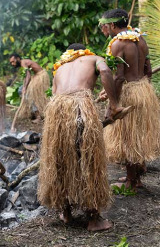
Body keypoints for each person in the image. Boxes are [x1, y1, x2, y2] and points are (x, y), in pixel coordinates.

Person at [38, 43, 127, 231]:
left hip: (57, 112)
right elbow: (105, 71)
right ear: (83, 51)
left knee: (61, 160)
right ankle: (94, 219)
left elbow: (54, 94)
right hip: (80, 107)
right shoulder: (94, 58)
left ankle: (66, 211)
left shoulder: (60, 67)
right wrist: (113, 104)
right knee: (88, 159)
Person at [98, 8, 160, 190]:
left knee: (127, 136)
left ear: (111, 25)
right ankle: (137, 178)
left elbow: (117, 77)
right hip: (143, 89)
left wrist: (113, 102)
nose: (104, 30)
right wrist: (143, 89)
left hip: (128, 92)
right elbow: (148, 71)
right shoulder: (140, 38)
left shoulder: (117, 44)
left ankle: (130, 181)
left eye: (104, 26)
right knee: (137, 132)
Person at [9, 54, 49, 123]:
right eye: (11, 63)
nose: (12, 64)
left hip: (40, 76)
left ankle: (38, 116)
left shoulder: (23, 63)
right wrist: (24, 86)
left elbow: (28, 76)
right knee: (20, 90)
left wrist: (25, 87)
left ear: (18, 58)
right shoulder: (23, 63)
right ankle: (32, 112)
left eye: (13, 61)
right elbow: (26, 76)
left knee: (28, 94)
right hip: (37, 76)